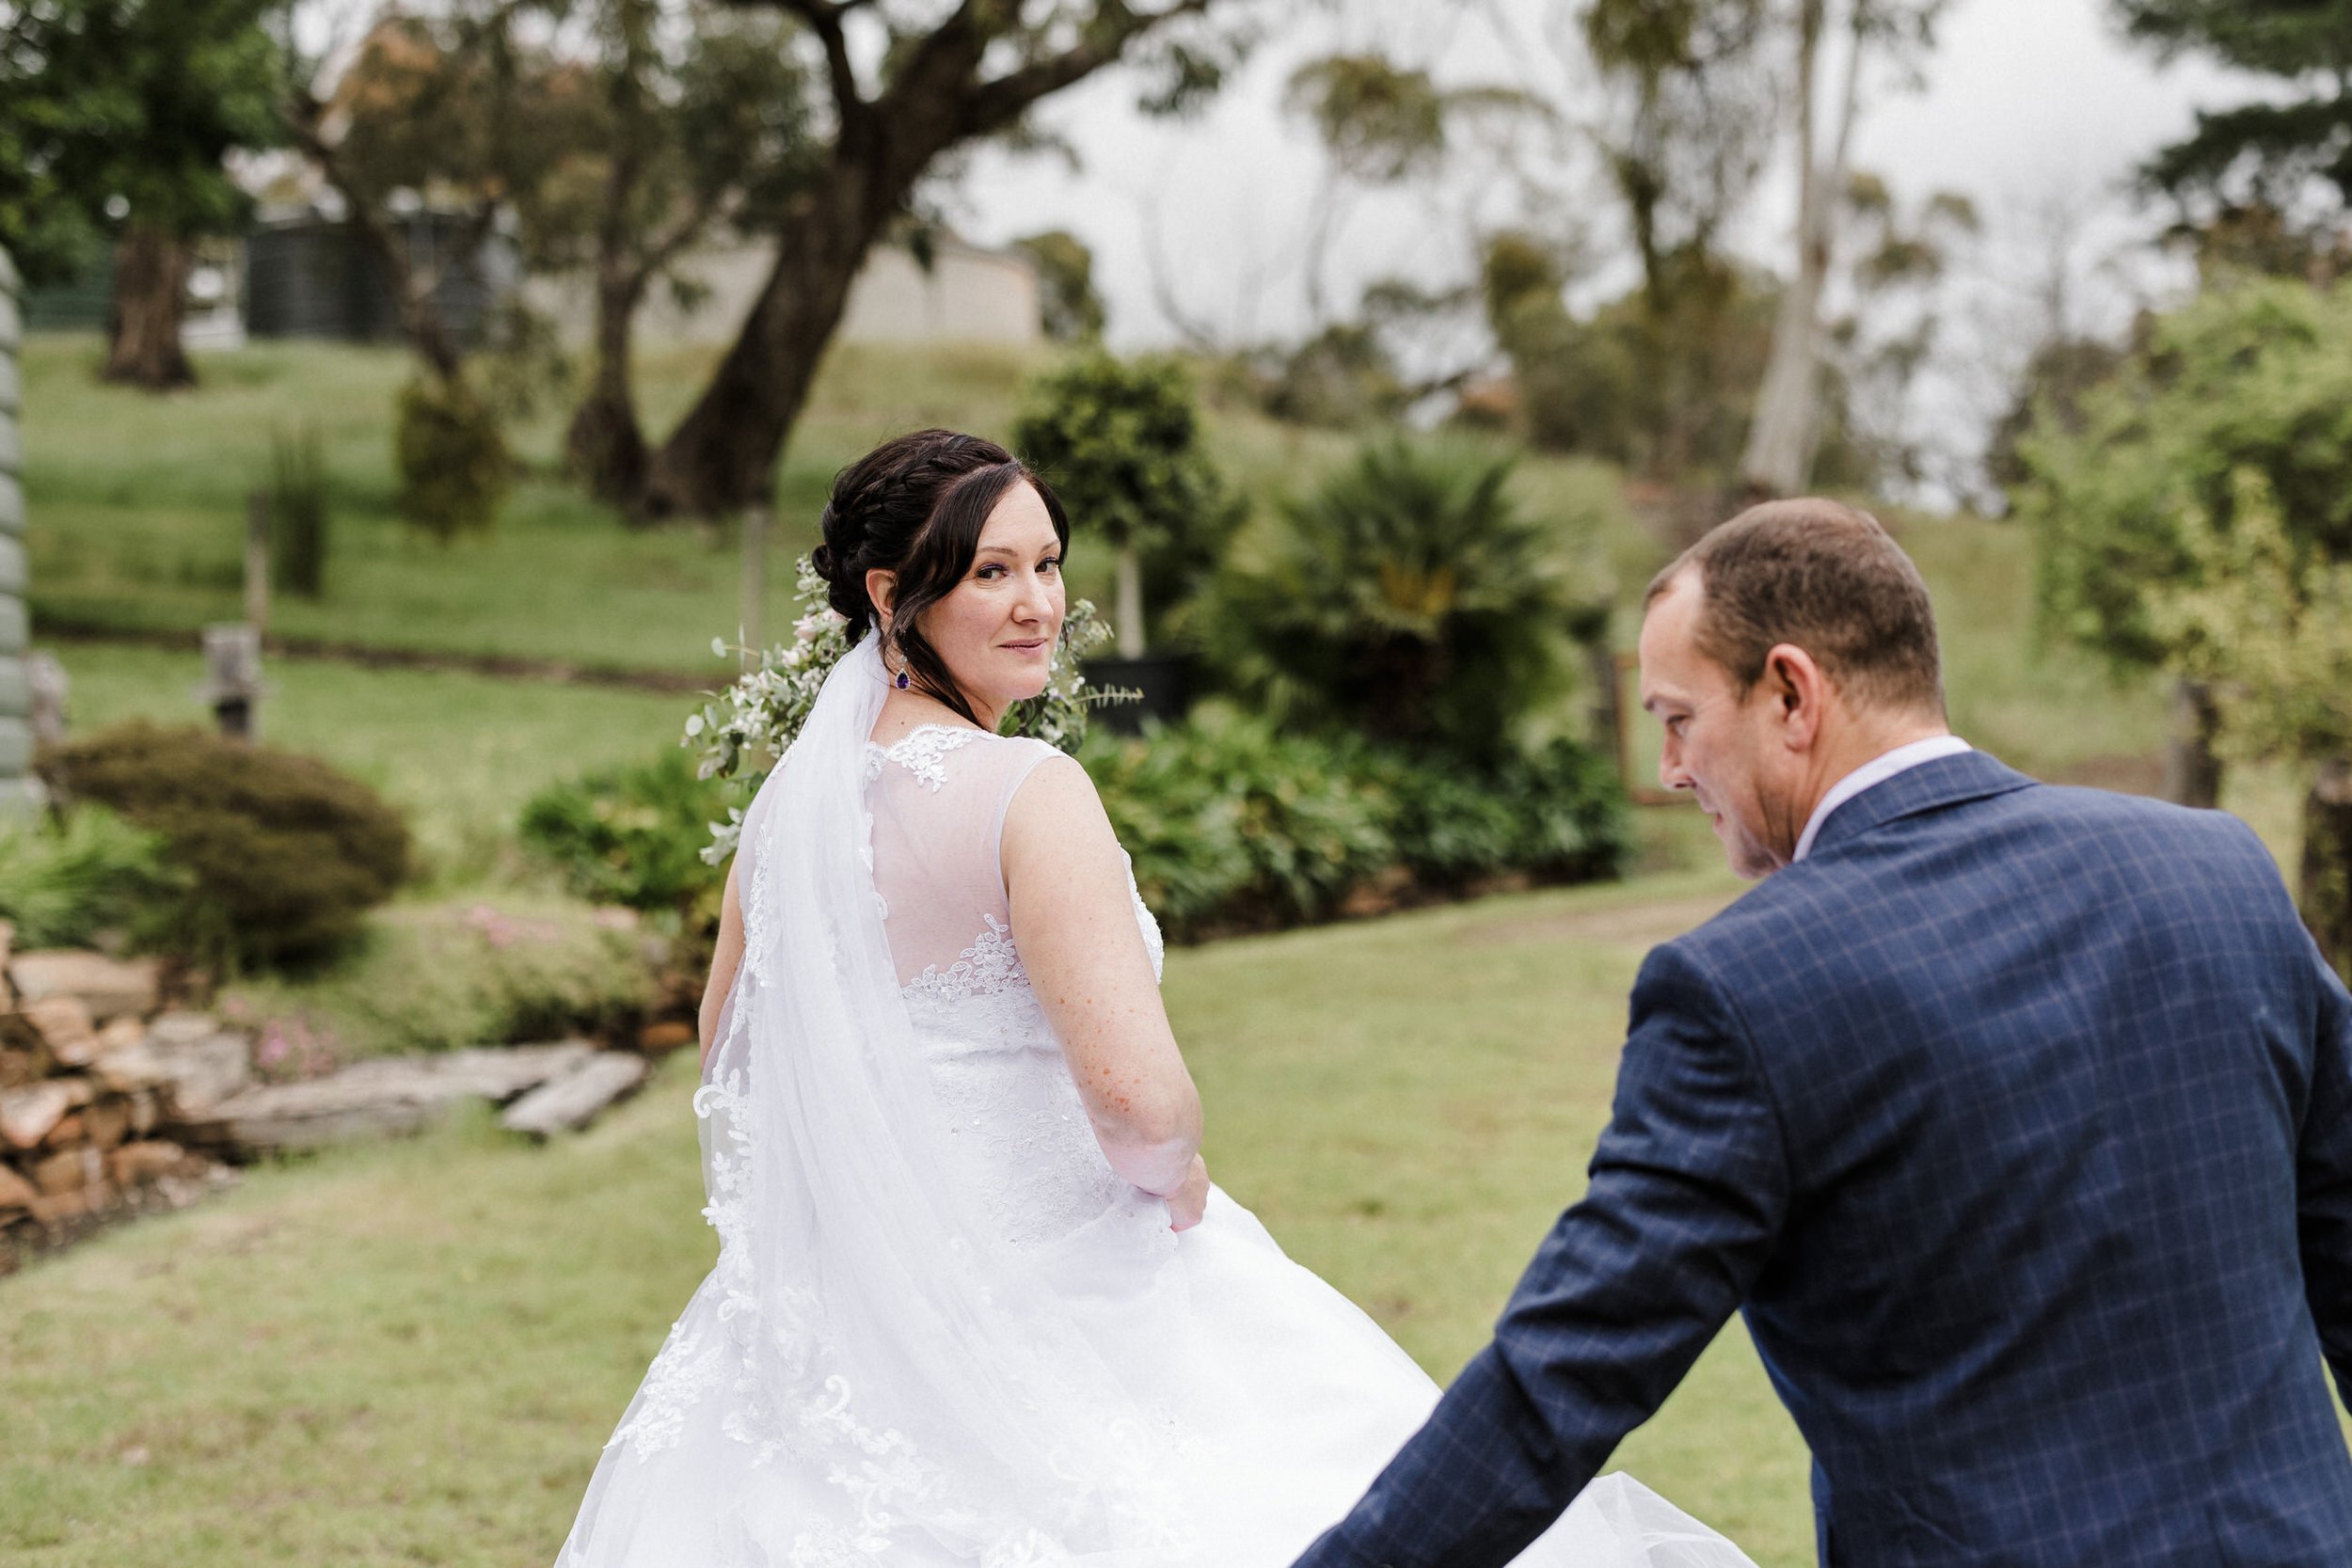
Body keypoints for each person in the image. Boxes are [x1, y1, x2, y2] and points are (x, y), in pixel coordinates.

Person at [553, 430, 1755, 1568]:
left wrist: (873, 1193)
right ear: (889, 594)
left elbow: (730, 1052)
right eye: (990, 571)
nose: (1038, 602)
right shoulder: (1027, 789)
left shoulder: (787, 816)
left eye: (1046, 563)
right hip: (1068, 1287)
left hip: (839, 1314)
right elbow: (1137, 1108)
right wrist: (1173, 1166)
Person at [1291, 499, 2352, 1568]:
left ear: (1790, 691)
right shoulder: (2217, 869)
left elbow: (1562, 1374)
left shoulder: (1745, 983)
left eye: (1675, 716)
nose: (1667, 767)